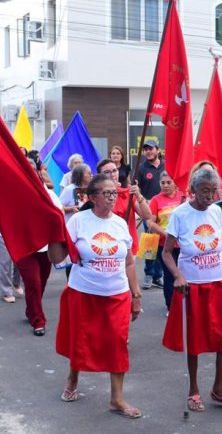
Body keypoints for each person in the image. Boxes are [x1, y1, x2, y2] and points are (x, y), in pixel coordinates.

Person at [56, 174, 142, 419]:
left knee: (117, 343)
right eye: (107, 193)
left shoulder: (120, 224)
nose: (112, 197)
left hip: (116, 295)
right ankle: (73, 377)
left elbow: (129, 263)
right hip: (83, 293)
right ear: (92, 197)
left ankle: (117, 398)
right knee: (80, 341)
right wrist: (53, 232)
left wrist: (136, 294)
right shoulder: (78, 221)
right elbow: (58, 257)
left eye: (114, 192)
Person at [162, 168, 222, 412]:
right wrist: (177, 275)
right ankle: (193, 389)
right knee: (194, 341)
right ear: (193, 190)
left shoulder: (218, 211)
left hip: (218, 283)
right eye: (204, 190)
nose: (209, 195)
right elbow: (166, 252)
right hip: (193, 287)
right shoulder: (180, 214)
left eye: (213, 190)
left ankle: (218, 389)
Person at [17, 155, 64, 336]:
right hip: (24, 246)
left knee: (40, 282)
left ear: (37, 171)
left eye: (30, 165)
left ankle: (31, 310)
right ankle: (38, 320)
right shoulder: (15, 192)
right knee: (33, 283)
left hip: (46, 247)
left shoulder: (50, 194)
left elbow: (59, 216)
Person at [145, 171, 185, 311]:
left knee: (185, 274)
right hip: (165, 245)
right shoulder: (156, 200)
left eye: (169, 182)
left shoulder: (183, 197)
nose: (166, 185)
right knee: (169, 276)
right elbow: (150, 222)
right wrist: (167, 235)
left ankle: (185, 303)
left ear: (175, 183)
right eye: (163, 183)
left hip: (184, 245)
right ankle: (171, 307)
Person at [0, 224, 23, 303]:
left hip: (17, 230)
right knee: (5, 261)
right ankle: (6, 291)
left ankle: (16, 283)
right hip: (0, 231)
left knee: (20, 259)